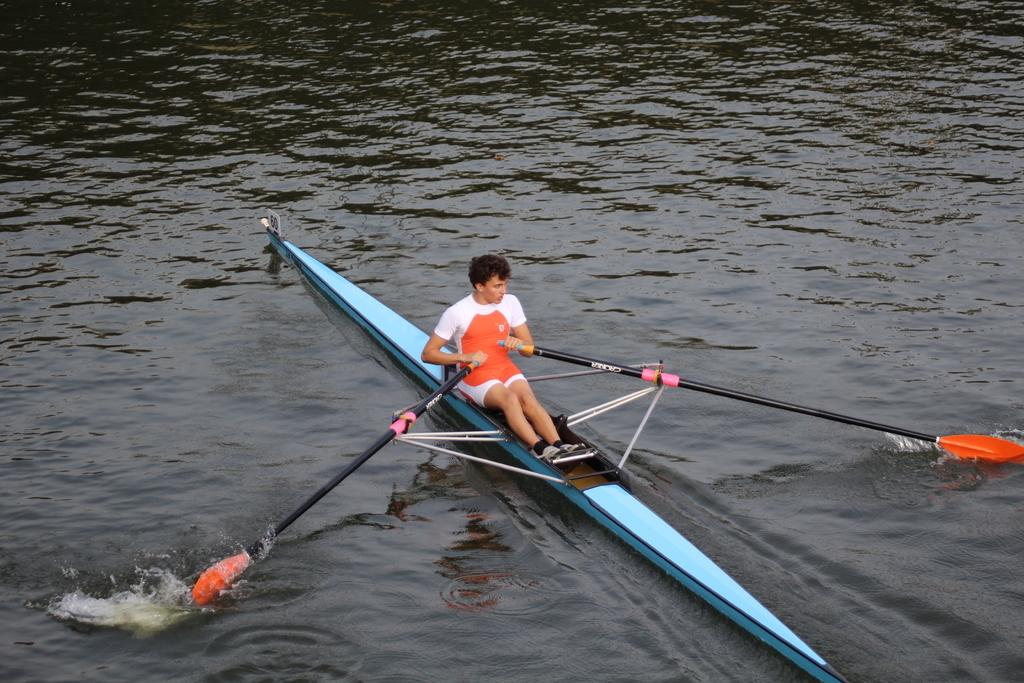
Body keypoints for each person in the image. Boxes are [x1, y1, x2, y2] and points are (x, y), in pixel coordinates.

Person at [421, 254, 584, 461]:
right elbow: (428, 354)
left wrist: (519, 344)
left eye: (505, 284)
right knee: (511, 399)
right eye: (497, 286)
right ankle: (540, 449)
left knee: (527, 398)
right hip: (474, 375)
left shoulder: (511, 303)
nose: (503, 291)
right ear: (480, 286)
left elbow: (528, 350)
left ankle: (560, 445)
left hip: (504, 367)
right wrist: (465, 356)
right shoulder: (456, 312)